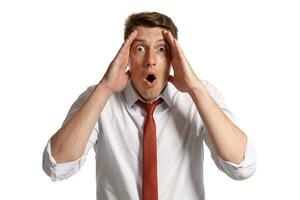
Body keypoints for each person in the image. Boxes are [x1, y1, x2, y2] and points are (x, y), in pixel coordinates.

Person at [43, 11, 257, 200]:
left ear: (174, 58)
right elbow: (56, 166)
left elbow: (242, 166)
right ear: (126, 56)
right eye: (139, 49)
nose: (150, 60)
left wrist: (195, 89)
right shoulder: (97, 98)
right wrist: (105, 87)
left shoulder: (201, 95)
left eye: (162, 49)